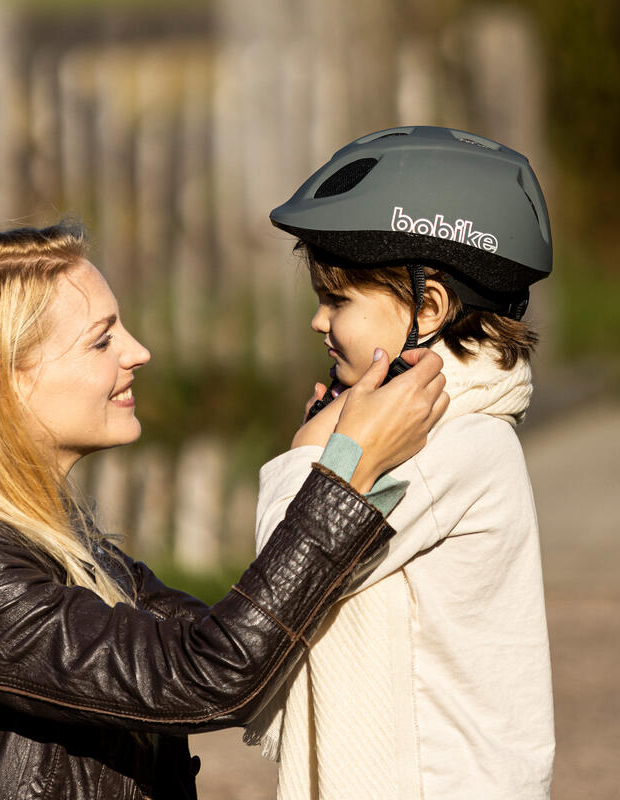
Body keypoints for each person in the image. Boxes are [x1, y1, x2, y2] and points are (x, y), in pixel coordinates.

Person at [0, 221, 448, 799]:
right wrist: (343, 472)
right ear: (0, 379)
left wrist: (315, 453)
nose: (139, 352)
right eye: (102, 338)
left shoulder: (66, 546)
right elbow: (208, 676)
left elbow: (241, 647)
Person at [245, 126, 556, 799]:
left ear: (430, 307)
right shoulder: (451, 432)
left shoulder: (454, 445)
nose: (317, 322)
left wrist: (312, 450)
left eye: (338, 301)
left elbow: (285, 567)